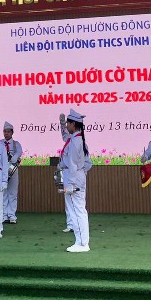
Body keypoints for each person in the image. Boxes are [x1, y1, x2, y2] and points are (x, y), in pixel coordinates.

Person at [59, 108, 90, 252]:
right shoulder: (78, 139)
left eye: (68, 123)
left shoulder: (75, 142)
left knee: (76, 210)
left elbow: (71, 163)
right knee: (78, 209)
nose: (66, 126)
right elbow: (88, 164)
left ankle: (82, 243)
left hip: (73, 177)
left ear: (74, 125)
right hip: (78, 176)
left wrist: (71, 183)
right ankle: (81, 241)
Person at [2, 121, 23, 224]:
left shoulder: (16, 144)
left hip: (13, 170)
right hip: (2, 171)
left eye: (8, 131)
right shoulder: (0, 143)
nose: (6, 133)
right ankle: (4, 215)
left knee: (13, 193)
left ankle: (12, 216)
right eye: (5, 131)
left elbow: (19, 153)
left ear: (12, 132)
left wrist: (13, 159)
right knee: (3, 192)